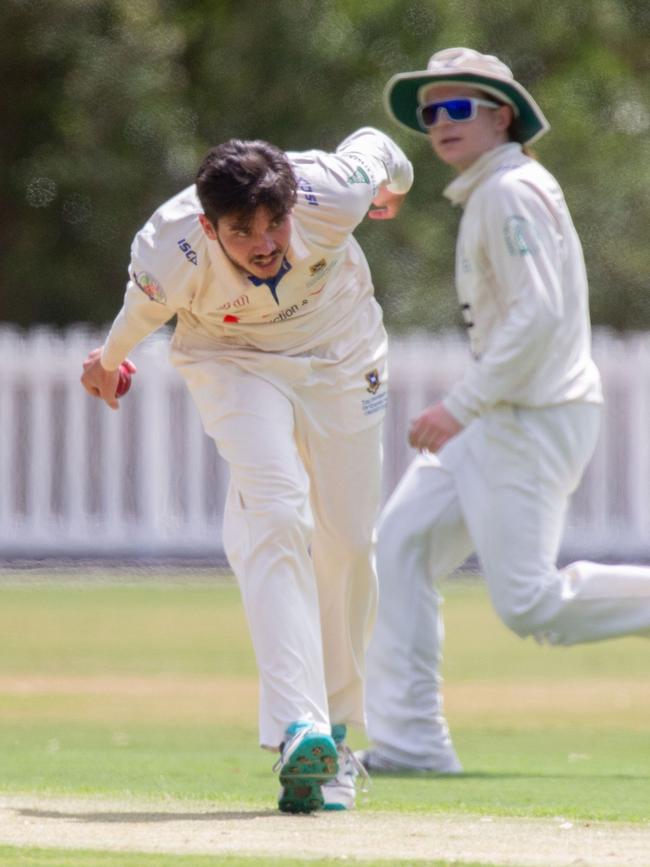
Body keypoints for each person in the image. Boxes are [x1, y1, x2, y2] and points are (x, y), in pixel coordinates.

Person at [81, 127, 413, 811]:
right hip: (232, 358)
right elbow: (137, 313)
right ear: (208, 225)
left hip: (344, 352)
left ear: (294, 202)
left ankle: (340, 739)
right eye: (241, 231)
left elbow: (379, 144)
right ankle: (305, 730)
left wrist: (397, 184)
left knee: (348, 542)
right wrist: (109, 362)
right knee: (278, 510)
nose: (265, 243)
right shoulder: (168, 247)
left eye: (275, 223)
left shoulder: (331, 187)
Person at [359, 47, 650, 775]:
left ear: (501, 115)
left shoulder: (509, 192)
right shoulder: (496, 189)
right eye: (432, 112)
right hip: (511, 411)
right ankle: (411, 743)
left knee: (529, 604)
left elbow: (540, 316)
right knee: (399, 544)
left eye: (458, 108)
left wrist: (461, 405)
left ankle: (412, 741)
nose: (441, 123)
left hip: (530, 412)